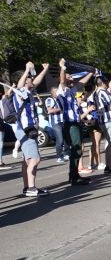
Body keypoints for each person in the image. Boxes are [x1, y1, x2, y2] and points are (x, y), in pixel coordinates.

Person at [12, 62, 52, 197]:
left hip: (26, 129)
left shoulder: (27, 91)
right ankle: (31, 188)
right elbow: (19, 84)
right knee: (34, 159)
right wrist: (27, 69)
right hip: (25, 129)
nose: (30, 78)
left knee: (27, 160)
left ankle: (27, 187)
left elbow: (36, 81)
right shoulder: (20, 91)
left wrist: (45, 69)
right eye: (28, 77)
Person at [90, 77, 111, 175]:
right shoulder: (103, 92)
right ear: (104, 82)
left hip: (103, 120)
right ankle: (110, 167)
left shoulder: (96, 93)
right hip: (110, 120)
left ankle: (109, 166)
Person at [45, 87, 68, 163]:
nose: (58, 93)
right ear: (52, 93)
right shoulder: (50, 100)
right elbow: (49, 111)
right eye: (56, 92)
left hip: (63, 121)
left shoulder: (61, 99)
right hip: (56, 122)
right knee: (60, 140)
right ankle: (59, 156)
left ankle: (66, 153)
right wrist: (60, 109)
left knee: (66, 138)